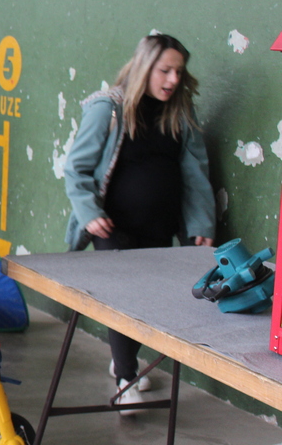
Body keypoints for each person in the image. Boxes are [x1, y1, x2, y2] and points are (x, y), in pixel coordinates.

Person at [64, 33, 215, 413]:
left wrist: (201, 224)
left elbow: (195, 172)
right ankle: (125, 379)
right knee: (123, 298)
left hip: (159, 227)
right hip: (112, 227)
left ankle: (123, 361)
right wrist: (89, 213)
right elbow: (77, 168)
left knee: (148, 302)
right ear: (145, 67)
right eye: (165, 71)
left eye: (179, 72)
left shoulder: (181, 113)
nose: (173, 80)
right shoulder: (109, 108)